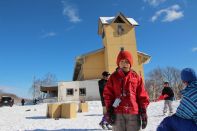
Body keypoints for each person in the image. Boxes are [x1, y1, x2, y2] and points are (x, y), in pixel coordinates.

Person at [103, 49, 150, 131]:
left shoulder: (136, 77)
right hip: (117, 113)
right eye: (121, 61)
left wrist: (143, 111)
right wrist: (109, 109)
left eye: (127, 61)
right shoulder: (113, 77)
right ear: (118, 63)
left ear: (130, 64)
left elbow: (142, 95)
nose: (124, 64)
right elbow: (108, 94)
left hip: (133, 113)